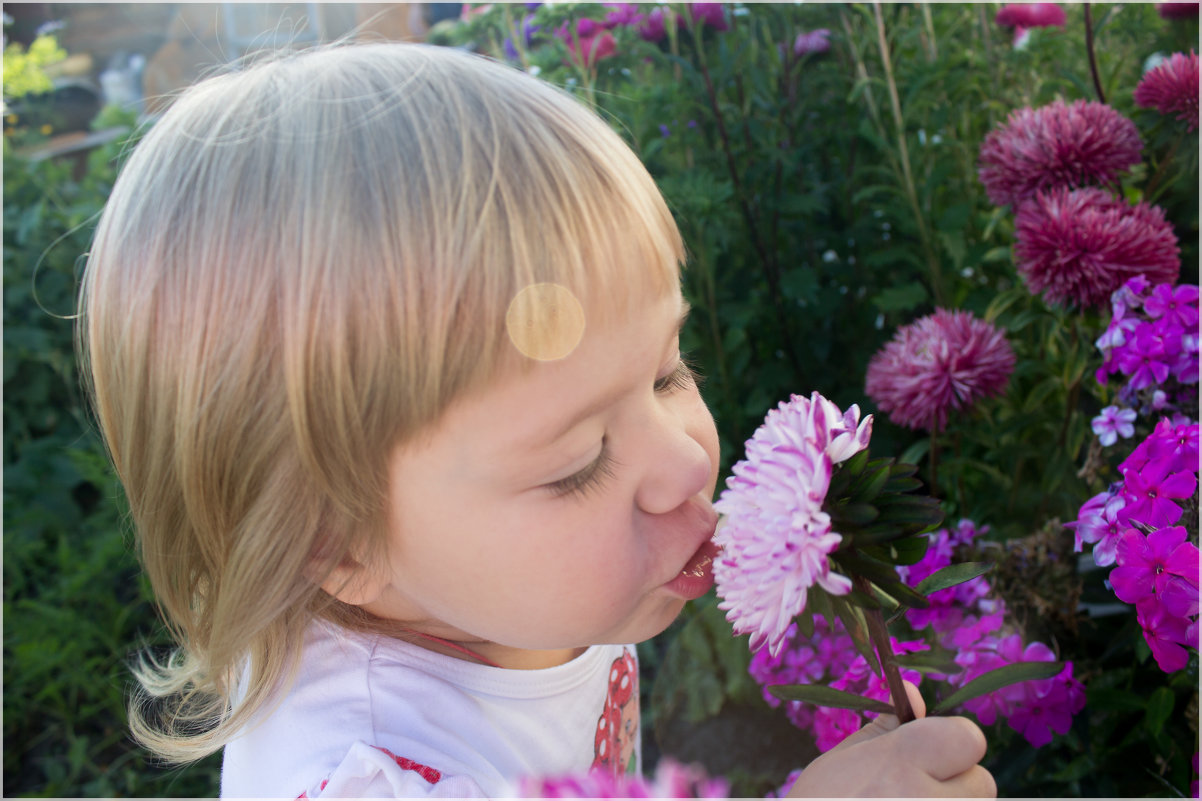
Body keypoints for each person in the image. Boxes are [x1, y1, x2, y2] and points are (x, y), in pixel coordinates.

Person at [79, 42, 996, 798]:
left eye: (671, 370)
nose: (682, 460)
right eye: (578, 459)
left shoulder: (484, 587)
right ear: (334, 544)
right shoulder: (365, 779)